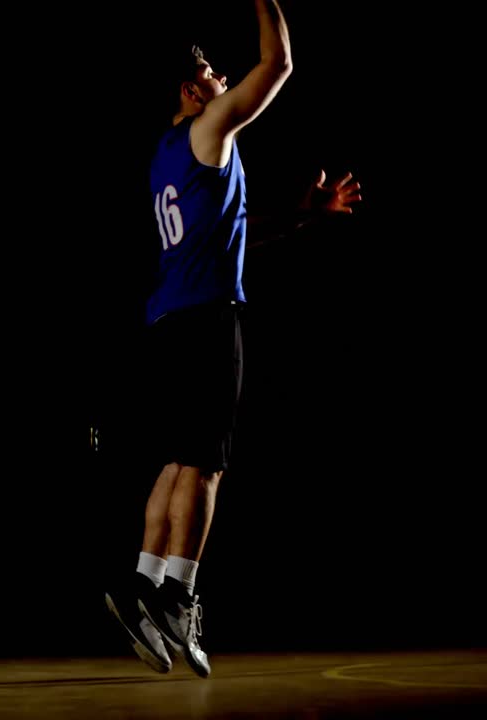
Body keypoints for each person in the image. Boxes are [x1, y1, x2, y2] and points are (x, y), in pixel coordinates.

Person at [104, 0, 361, 679]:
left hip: (167, 321)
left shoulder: (164, 156)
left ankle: (142, 582)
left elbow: (231, 234)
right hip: (206, 318)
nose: (222, 80)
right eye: (214, 72)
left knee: (177, 462)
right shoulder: (212, 125)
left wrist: (304, 216)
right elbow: (280, 63)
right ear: (193, 90)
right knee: (209, 465)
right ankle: (180, 595)